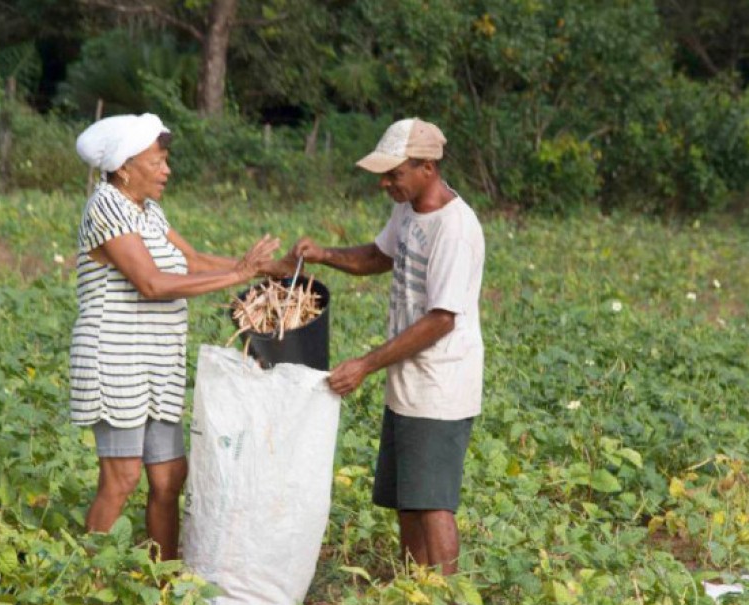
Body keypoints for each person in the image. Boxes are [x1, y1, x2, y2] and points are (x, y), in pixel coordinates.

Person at [71, 113, 285, 560]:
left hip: (157, 362)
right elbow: (150, 282)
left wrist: (256, 270)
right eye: (159, 160)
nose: (167, 170)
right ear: (125, 166)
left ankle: (162, 575)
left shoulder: (148, 211)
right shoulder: (106, 204)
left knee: (169, 477)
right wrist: (237, 275)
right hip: (117, 357)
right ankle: (82, 584)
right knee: (123, 476)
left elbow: (189, 260)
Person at [288, 118, 484, 575]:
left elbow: (441, 320)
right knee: (408, 499)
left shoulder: (454, 228)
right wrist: (325, 255)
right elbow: (380, 255)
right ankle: (415, 595)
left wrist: (366, 364)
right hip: (408, 382)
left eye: (394, 172)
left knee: (433, 501)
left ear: (427, 168)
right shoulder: (410, 208)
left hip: (440, 383)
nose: (384, 182)